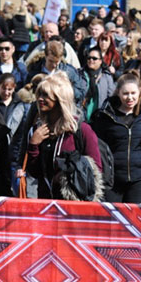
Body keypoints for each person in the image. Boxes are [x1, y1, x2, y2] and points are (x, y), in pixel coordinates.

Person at [91, 72, 141, 204]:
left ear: (140, 93)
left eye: (133, 93)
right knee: (113, 223)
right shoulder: (105, 115)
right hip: (112, 180)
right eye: (125, 93)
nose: (130, 98)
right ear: (118, 93)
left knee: (137, 221)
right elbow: (93, 142)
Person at [24, 71, 102, 200]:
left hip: (74, 205)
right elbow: (34, 173)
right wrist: (33, 145)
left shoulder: (80, 130)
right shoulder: (38, 130)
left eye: (45, 95)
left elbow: (96, 170)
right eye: (39, 94)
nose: (40, 99)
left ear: (60, 98)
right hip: (45, 202)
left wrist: (68, 173)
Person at [26, 38, 87, 106]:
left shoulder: (69, 72)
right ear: (45, 56)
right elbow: (27, 93)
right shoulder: (35, 71)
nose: (54, 65)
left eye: (57, 62)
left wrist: (65, 89)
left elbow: (80, 94)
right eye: (51, 61)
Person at [80, 47, 116, 121]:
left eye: (94, 58)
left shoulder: (106, 76)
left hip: (100, 117)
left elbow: (111, 96)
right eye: (89, 58)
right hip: (82, 117)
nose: (91, 60)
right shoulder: (80, 74)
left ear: (100, 61)